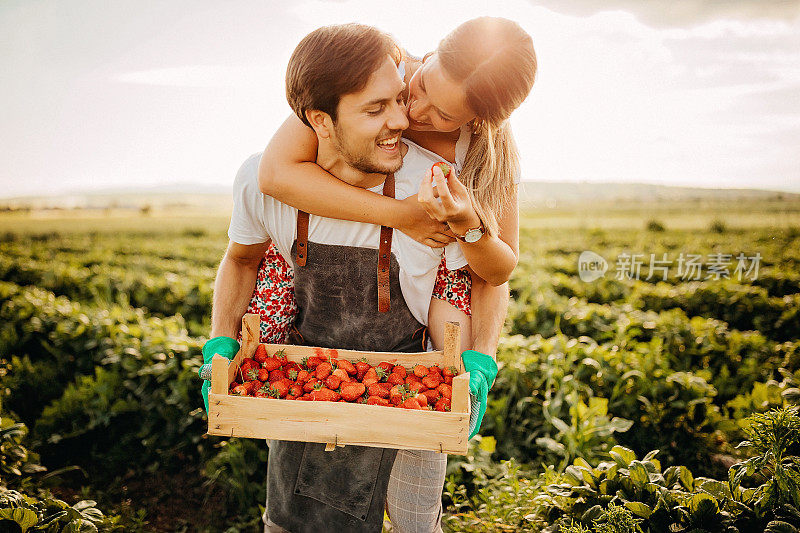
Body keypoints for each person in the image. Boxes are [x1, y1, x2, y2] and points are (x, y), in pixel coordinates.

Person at [200, 24, 503, 532]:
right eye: (375, 108)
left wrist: (467, 368)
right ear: (319, 120)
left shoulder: (434, 187)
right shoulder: (263, 181)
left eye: (398, 101)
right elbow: (242, 260)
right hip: (307, 377)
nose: (402, 121)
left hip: (408, 384)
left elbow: (467, 282)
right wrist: (221, 342)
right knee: (298, 522)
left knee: (414, 523)